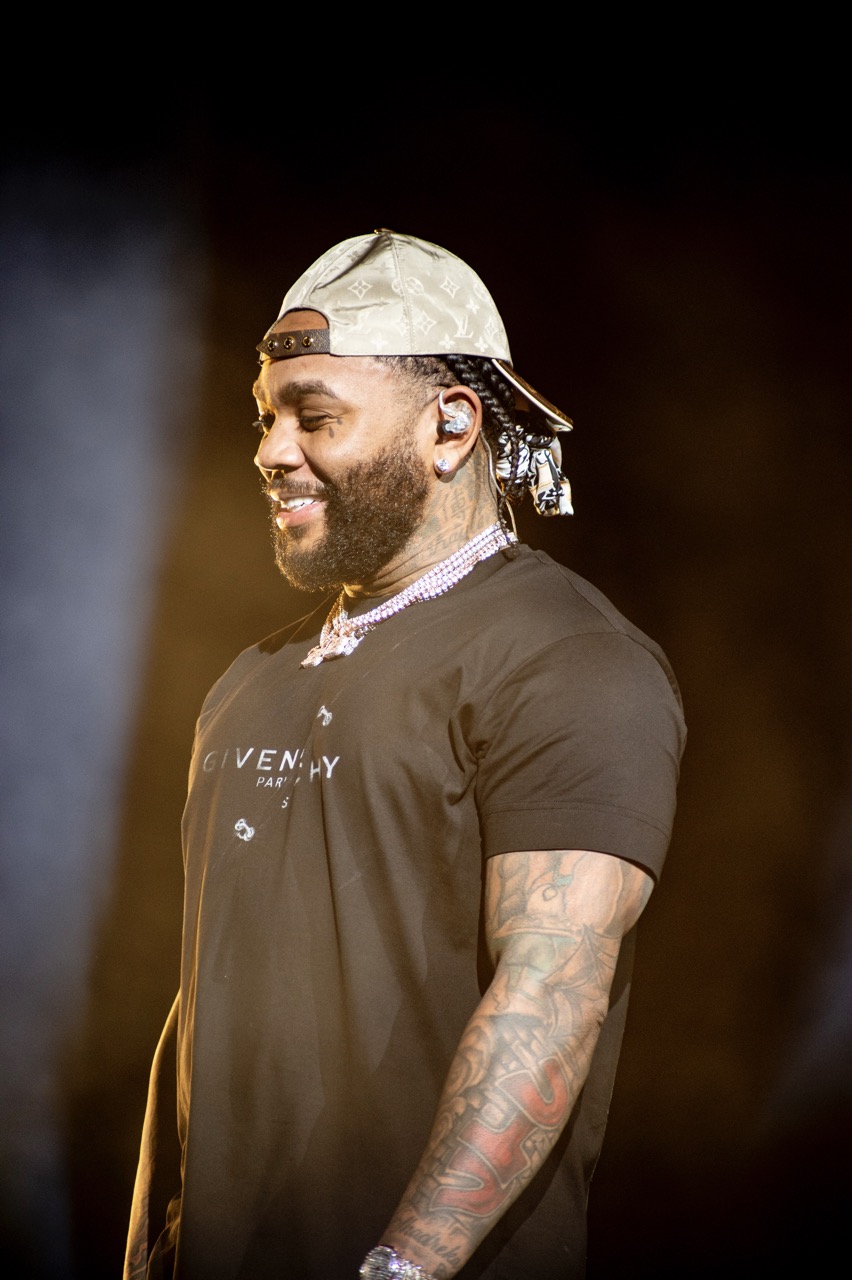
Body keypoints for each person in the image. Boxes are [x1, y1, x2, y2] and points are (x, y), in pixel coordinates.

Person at [125, 230, 686, 1280]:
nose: (271, 450)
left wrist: (403, 1265)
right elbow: (208, 991)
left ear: (451, 424)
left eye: (315, 416)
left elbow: (550, 995)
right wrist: (152, 1243)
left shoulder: (571, 660)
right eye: (266, 417)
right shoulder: (249, 678)